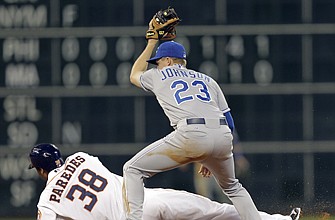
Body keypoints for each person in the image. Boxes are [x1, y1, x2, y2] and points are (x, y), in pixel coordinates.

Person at [123, 26, 261, 220]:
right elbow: (229, 122)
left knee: (132, 169)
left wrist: (152, 42)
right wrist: (211, 157)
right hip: (222, 134)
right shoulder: (208, 80)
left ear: (168, 61)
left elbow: (134, 74)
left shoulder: (158, 75)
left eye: (158, 61)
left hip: (192, 133)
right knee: (233, 187)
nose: (156, 65)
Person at [28, 143, 301, 220]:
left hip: (128, 217)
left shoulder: (46, 201)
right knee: (217, 211)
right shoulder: (81, 157)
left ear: (40, 170)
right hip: (150, 200)